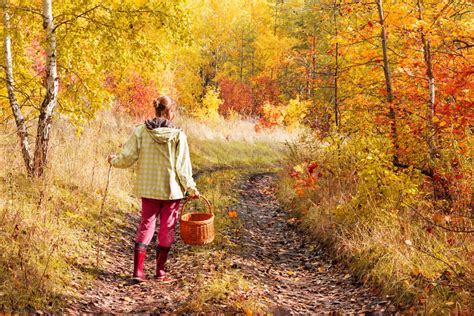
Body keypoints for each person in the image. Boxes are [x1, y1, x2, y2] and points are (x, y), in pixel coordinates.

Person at [107, 95, 199, 283]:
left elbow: (128, 157)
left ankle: (138, 272)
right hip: (171, 190)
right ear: (169, 112)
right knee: (167, 228)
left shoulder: (141, 131)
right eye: (174, 110)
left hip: (148, 188)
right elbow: (183, 168)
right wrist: (191, 188)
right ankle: (160, 273)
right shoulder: (178, 135)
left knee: (146, 225)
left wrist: (113, 161)